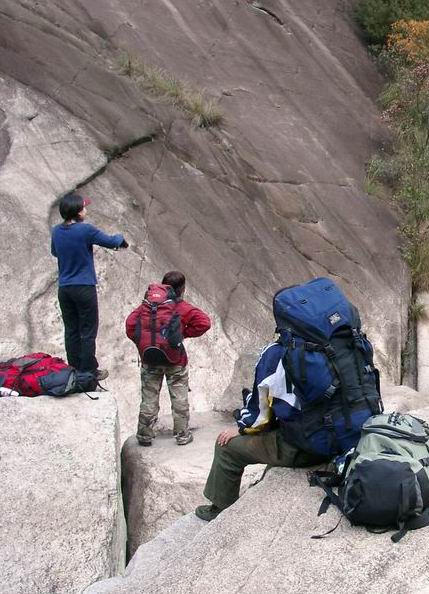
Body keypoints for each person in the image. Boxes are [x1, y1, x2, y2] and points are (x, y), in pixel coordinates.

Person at [194, 339, 327, 522]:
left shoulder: (278, 352)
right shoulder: (346, 344)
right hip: (340, 442)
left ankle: (220, 509)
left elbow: (261, 416)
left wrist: (242, 427)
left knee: (226, 447)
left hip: (304, 446)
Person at [126, 271, 211, 446]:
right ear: (182, 289)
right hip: (175, 360)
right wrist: (181, 335)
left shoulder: (147, 306)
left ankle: (144, 435)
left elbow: (130, 325)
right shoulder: (182, 308)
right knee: (179, 398)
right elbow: (204, 323)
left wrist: (143, 342)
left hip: (149, 358)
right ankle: (182, 435)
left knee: (149, 397)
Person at [50, 192, 128, 380]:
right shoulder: (85, 230)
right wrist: (120, 239)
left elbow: (55, 252)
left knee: (71, 330)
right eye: (83, 207)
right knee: (87, 331)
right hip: (84, 287)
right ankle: (88, 372)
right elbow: (110, 241)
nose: (85, 210)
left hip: (65, 288)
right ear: (77, 211)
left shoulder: (56, 231)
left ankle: (74, 370)